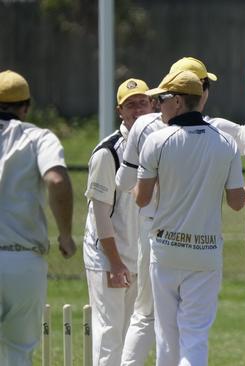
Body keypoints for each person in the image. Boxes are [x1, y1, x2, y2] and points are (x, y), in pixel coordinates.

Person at [116, 57, 243, 366]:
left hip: (166, 250)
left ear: (176, 101)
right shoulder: (225, 142)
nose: (158, 105)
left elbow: (141, 198)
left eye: (162, 99)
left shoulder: (157, 140)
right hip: (205, 252)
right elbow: (237, 201)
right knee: (195, 336)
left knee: (166, 335)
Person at [0, 69, 76, 365]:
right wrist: (66, 236)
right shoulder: (38, 137)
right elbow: (56, 180)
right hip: (22, 261)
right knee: (18, 351)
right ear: (26, 106)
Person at [82, 78, 153, 366]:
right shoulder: (107, 152)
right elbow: (101, 216)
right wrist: (115, 262)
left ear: (152, 104)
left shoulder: (156, 141)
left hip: (138, 256)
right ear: (119, 111)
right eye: (130, 105)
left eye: (142, 102)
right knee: (110, 334)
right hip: (107, 256)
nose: (138, 109)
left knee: (132, 335)